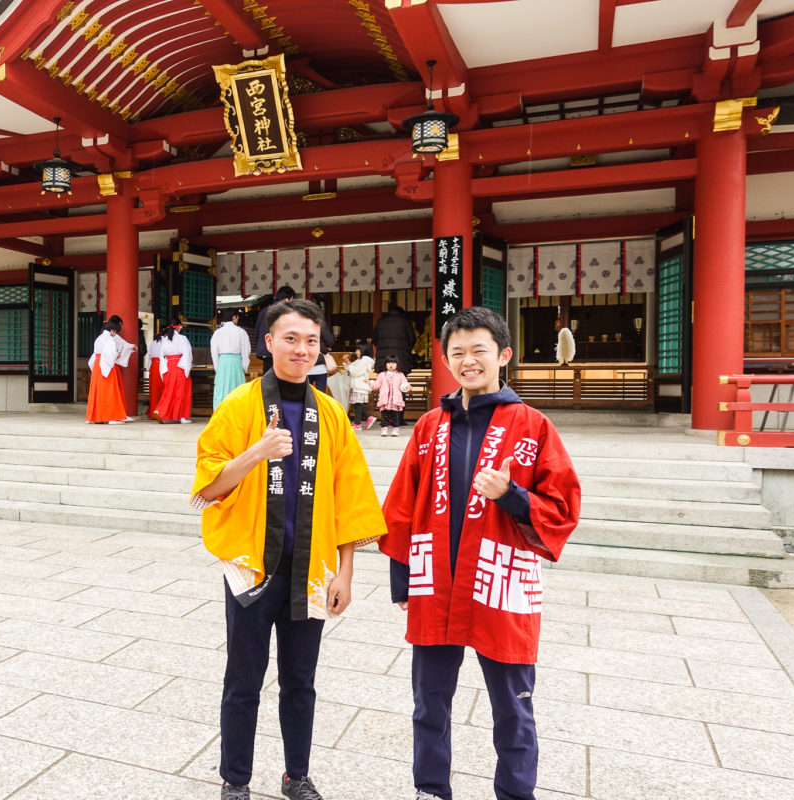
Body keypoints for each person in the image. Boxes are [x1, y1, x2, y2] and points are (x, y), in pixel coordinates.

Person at [378, 306, 582, 800]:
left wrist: (512, 496)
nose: (468, 361)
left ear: (503, 356)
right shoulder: (429, 426)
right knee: (429, 704)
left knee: (513, 706)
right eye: (458, 353)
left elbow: (563, 506)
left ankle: (515, 792)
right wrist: (401, 578)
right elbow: (402, 506)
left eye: (479, 351)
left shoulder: (532, 426)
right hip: (435, 581)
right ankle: (430, 788)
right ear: (447, 360)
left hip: (500, 582)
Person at [191, 298, 386, 800]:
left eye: (312, 340)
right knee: (243, 681)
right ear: (269, 342)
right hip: (254, 570)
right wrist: (256, 452)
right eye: (291, 338)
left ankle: (296, 776)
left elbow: (351, 498)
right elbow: (209, 488)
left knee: (301, 682)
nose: (302, 349)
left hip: (313, 569)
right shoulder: (239, 407)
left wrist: (345, 572)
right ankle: (235, 781)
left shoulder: (333, 414)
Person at [86, 319, 128, 424]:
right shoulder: (109, 339)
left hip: (97, 365)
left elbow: (95, 355)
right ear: (112, 330)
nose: (115, 334)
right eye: (116, 332)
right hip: (106, 366)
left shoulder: (99, 338)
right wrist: (118, 355)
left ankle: (96, 416)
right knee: (110, 392)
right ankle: (112, 417)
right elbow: (111, 355)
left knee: (98, 392)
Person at [154, 318, 193, 424]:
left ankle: (160, 411)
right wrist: (186, 367)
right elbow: (187, 353)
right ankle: (182, 416)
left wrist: (163, 369)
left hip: (169, 365)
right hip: (180, 365)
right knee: (181, 392)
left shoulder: (165, 339)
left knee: (169, 391)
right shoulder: (183, 338)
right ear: (179, 326)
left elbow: (161, 355)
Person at [211, 309, 252, 409]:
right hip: (236, 362)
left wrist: (217, 367)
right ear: (234, 317)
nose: (237, 319)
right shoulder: (241, 332)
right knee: (237, 388)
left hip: (222, 362)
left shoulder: (218, 332)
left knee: (221, 390)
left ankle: (220, 415)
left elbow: (214, 351)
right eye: (237, 317)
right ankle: (237, 414)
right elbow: (246, 350)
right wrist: (244, 366)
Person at [254, 286, 296, 373]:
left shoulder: (264, 311)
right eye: (292, 300)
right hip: (280, 351)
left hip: (265, 351)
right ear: (287, 299)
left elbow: (257, 332)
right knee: (282, 378)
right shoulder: (285, 312)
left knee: (267, 378)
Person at [369, 355, 410, 437]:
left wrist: (406, 386)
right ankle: (384, 429)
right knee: (384, 416)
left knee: (395, 415)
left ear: (397, 364)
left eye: (393, 363)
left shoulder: (400, 375)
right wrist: (370, 383)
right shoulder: (381, 375)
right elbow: (377, 385)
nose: (391, 365)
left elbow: (404, 384)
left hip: (395, 399)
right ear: (385, 364)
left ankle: (395, 430)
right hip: (385, 399)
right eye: (389, 363)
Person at [374, 305, 417, 372]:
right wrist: (407, 349)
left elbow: (374, 340)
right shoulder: (405, 321)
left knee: (384, 379)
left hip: (383, 359)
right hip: (401, 357)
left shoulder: (380, 322)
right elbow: (412, 339)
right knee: (400, 380)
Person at [343, 344, 375, 431]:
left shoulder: (364, 361)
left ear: (363, 351)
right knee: (359, 406)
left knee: (357, 405)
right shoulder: (360, 360)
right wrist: (347, 361)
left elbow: (355, 372)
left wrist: (348, 363)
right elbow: (352, 366)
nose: (356, 352)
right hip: (358, 385)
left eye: (358, 350)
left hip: (360, 385)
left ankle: (358, 423)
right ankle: (365, 419)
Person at [304, 318, 336, 392]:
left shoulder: (301, 323)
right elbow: (330, 341)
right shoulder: (320, 324)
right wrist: (324, 348)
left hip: (305, 365)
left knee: (306, 394)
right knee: (321, 394)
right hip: (320, 366)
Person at [146, 327, 166, 420]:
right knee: (163, 390)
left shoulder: (153, 343)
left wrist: (148, 368)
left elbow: (149, 356)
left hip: (153, 366)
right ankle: (161, 411)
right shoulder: (165, 342)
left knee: (154, 390)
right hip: (162, 366)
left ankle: (152, 411)